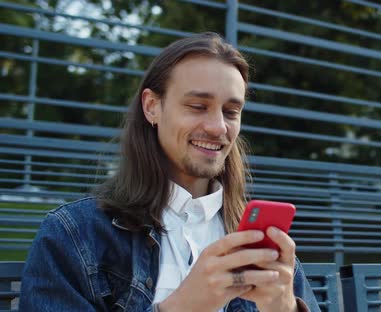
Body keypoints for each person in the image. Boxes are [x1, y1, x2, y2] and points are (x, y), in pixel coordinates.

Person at [20, 32, 320, 312]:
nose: (218, 127)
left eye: (231, 112)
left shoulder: (260, 243)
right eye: (197, 106)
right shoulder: (74, 236)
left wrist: (286, 308)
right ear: (152, 107)